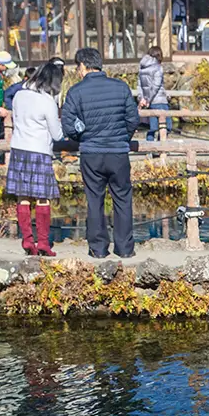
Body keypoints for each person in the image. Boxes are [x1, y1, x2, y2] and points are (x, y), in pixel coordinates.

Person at [61, 47, 140, 259]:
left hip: (91, 152)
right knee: (122, 199)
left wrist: (82, 137)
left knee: (95, 200)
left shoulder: (75, 92)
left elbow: (68, 125)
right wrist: (123, 137)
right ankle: (125, 248)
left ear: (83, 66)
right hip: (118, 152)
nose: (78, 71)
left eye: (78, 67)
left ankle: (98, 249)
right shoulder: (121, 87)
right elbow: (133, 119)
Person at [7, 59, 64, 257]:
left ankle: (27, 241)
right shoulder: (47, 101)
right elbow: (57, 135)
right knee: (43, 199)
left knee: (23, 198)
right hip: (39, 151)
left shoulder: (19, 95)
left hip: (18, 149)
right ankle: (43, 244)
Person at [138, 45, 171, 141]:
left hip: (150, 103)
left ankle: (150, 149)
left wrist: (142, 98)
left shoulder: (142, 68)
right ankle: (161, 149)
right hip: (160, 101)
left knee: (152, 128)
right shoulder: (158, 68)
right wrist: (148, 99)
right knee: (167, 126)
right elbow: (156, 87)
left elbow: (140, 86)